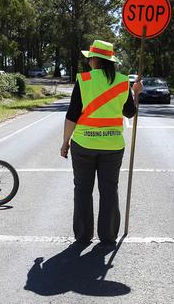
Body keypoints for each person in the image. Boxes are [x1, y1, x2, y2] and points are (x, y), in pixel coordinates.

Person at [60, 40, 143, 245]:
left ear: (95, 59)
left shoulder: (84, 79)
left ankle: (83, 235)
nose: (89, 61)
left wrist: (65, 142)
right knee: (109, 190)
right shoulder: (123, 81)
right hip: (113, 147)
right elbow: (130, 113)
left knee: (82, 190)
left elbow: (72, 114)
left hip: (83, 145)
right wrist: (135, 93)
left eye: (90, 57)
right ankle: (108, 236)